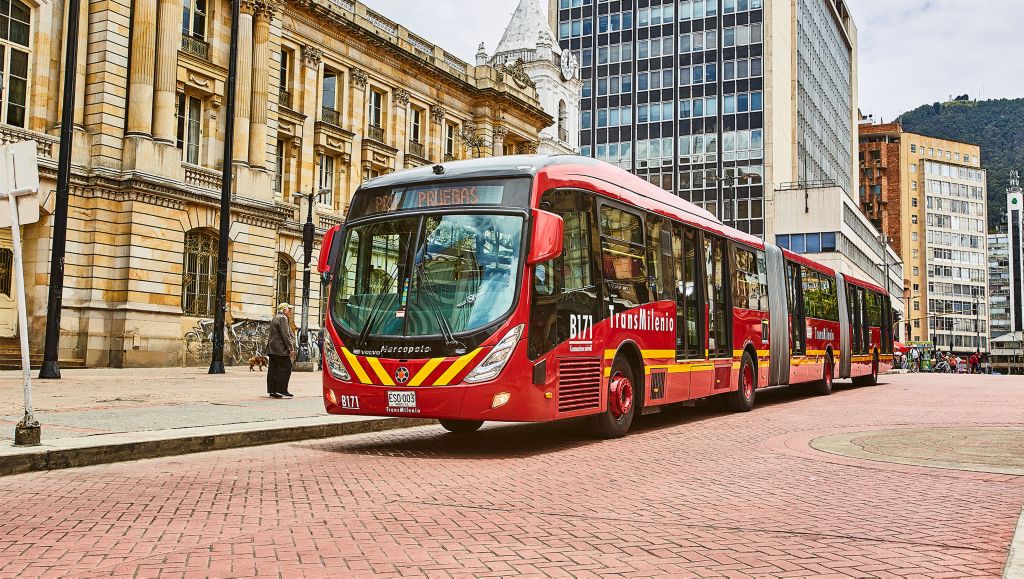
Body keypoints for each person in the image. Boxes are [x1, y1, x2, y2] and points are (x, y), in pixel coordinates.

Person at [266, 303, 297, 398]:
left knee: (273, 369)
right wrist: (291, 348)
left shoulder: (275, 317)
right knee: (286, 367)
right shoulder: (283, 318)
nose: (291, 312)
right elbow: (285, 335)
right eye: (289, 310)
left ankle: (273, 391)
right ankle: (282, 390)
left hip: (272, 349)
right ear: (284, 310)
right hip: (280, 350)